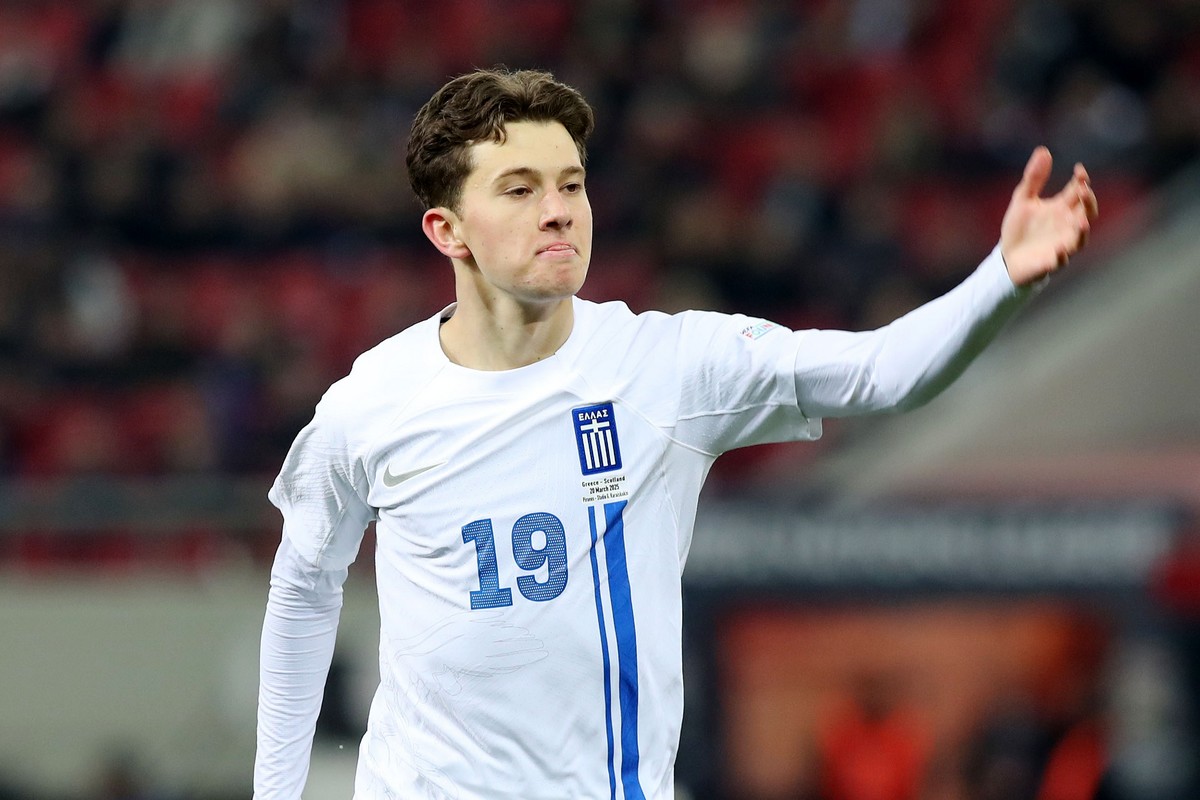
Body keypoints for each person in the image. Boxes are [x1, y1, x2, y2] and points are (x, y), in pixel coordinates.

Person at [254, 67, 1098, 799]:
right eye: (519, 189)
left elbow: (884, 372)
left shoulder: (668, 368)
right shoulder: (371, 405)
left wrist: (1002, 278)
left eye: (572, 185)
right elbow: (303, 586)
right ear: (448, 231)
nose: (558, 212)